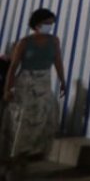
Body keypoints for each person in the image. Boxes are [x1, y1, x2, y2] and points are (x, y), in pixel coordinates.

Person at [2, 9, 66, 178]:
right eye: (47, 23)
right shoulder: (24, 43)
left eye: (51, 23)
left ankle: (24, 159)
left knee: (41, 122)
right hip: (26, 84)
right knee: (21, 124)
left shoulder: (54, 42)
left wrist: (62, 81)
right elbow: (13, 68)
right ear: (37, 24)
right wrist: (7, 89)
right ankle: (12, 163)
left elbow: (58, 61)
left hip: (43, 83)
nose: (49, 26)